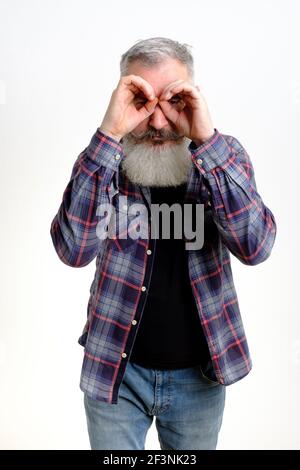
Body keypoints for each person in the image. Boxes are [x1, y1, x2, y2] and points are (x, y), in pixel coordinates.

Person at [50, 37, 277, 450]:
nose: (157, 123)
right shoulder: (103, 162)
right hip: (116, 370)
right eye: (142, 101)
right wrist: (109, 132)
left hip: (199, 377)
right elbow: (72, 249)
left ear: (194, 94)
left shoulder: (224, 157)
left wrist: (207, 140)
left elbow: (256, 246)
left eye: (173, 100)